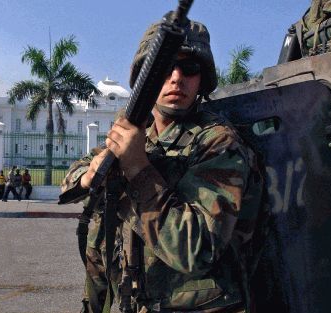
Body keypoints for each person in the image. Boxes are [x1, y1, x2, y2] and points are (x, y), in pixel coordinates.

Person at [60, 20, 266, 313]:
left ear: (202, 79)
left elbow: (196, 250)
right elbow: (74, 177)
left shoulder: (219, 143)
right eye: (165, 66)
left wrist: (138, 170)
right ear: (145, 77)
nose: (176, 78)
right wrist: (88, 176)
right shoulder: (139, 132)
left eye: (189, 68)